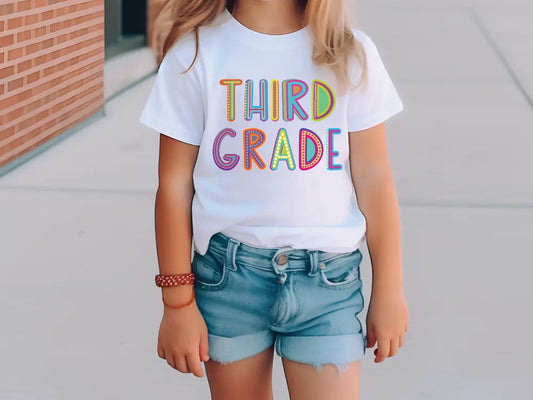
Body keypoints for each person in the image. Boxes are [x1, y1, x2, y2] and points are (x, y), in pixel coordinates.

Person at [139, 0, 409, 399]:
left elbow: (374, 178)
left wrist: (390, 289)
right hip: (229, 280)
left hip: (327, 284)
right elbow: (174, 184)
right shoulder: (195, 53)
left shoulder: (349, 52)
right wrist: (177, 303)